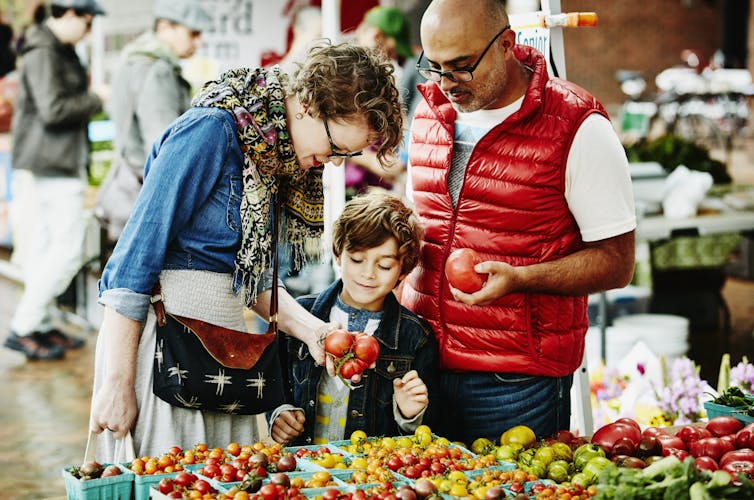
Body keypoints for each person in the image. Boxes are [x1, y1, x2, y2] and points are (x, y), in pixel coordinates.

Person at [88, 41, 405, 460]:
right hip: (164, 359)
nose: (333, 163)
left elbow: (246, 279)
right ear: (308, 105)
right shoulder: (209, 131)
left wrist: (314, 332)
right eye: (336, 148)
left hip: (222, 365)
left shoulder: (267, 155)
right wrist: (116, 383)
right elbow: (130, 266)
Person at [400, 0, 637, 444]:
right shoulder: (428, 113)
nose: (447, 83)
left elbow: (616, 263)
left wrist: (521, 278)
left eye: (462, 66)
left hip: (516, 382)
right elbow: (421, 225)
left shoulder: (577, 126)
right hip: (420, 365)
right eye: (434, 67)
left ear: (507, 43)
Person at [269, 192, 439, 445]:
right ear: (338, 254)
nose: (368, 274)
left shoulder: (416, 337)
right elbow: (274, 383)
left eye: (384, 266)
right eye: (357, 259)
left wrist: (409, 413)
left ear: (403, 271)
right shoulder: (299, 317)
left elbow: (421, 430)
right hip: (303, 467)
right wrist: (278, 415)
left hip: (371, 474)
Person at [4, 0, 106, 361]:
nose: (89, 30)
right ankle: (24, 326)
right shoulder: (44, 51)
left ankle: (39, 322)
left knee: (47, 251)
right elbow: (54, 109)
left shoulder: (53, 49)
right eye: (88, 21)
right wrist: (97, 98)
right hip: (51, 165)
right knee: (66, 250)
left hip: (50, 163)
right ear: (70, 13)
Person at [97, 0, 211, 244]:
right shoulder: (157, 69)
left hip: (133, 189)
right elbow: (166, 146)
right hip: (147, 197)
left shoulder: (133, 59)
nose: (198, 42)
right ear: (165, 27)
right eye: (193, 33)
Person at [346, 6, 417, 198]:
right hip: (359, 192)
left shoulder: (393, 80)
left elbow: (395, 165)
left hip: (377, 194)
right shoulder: (350, 75)